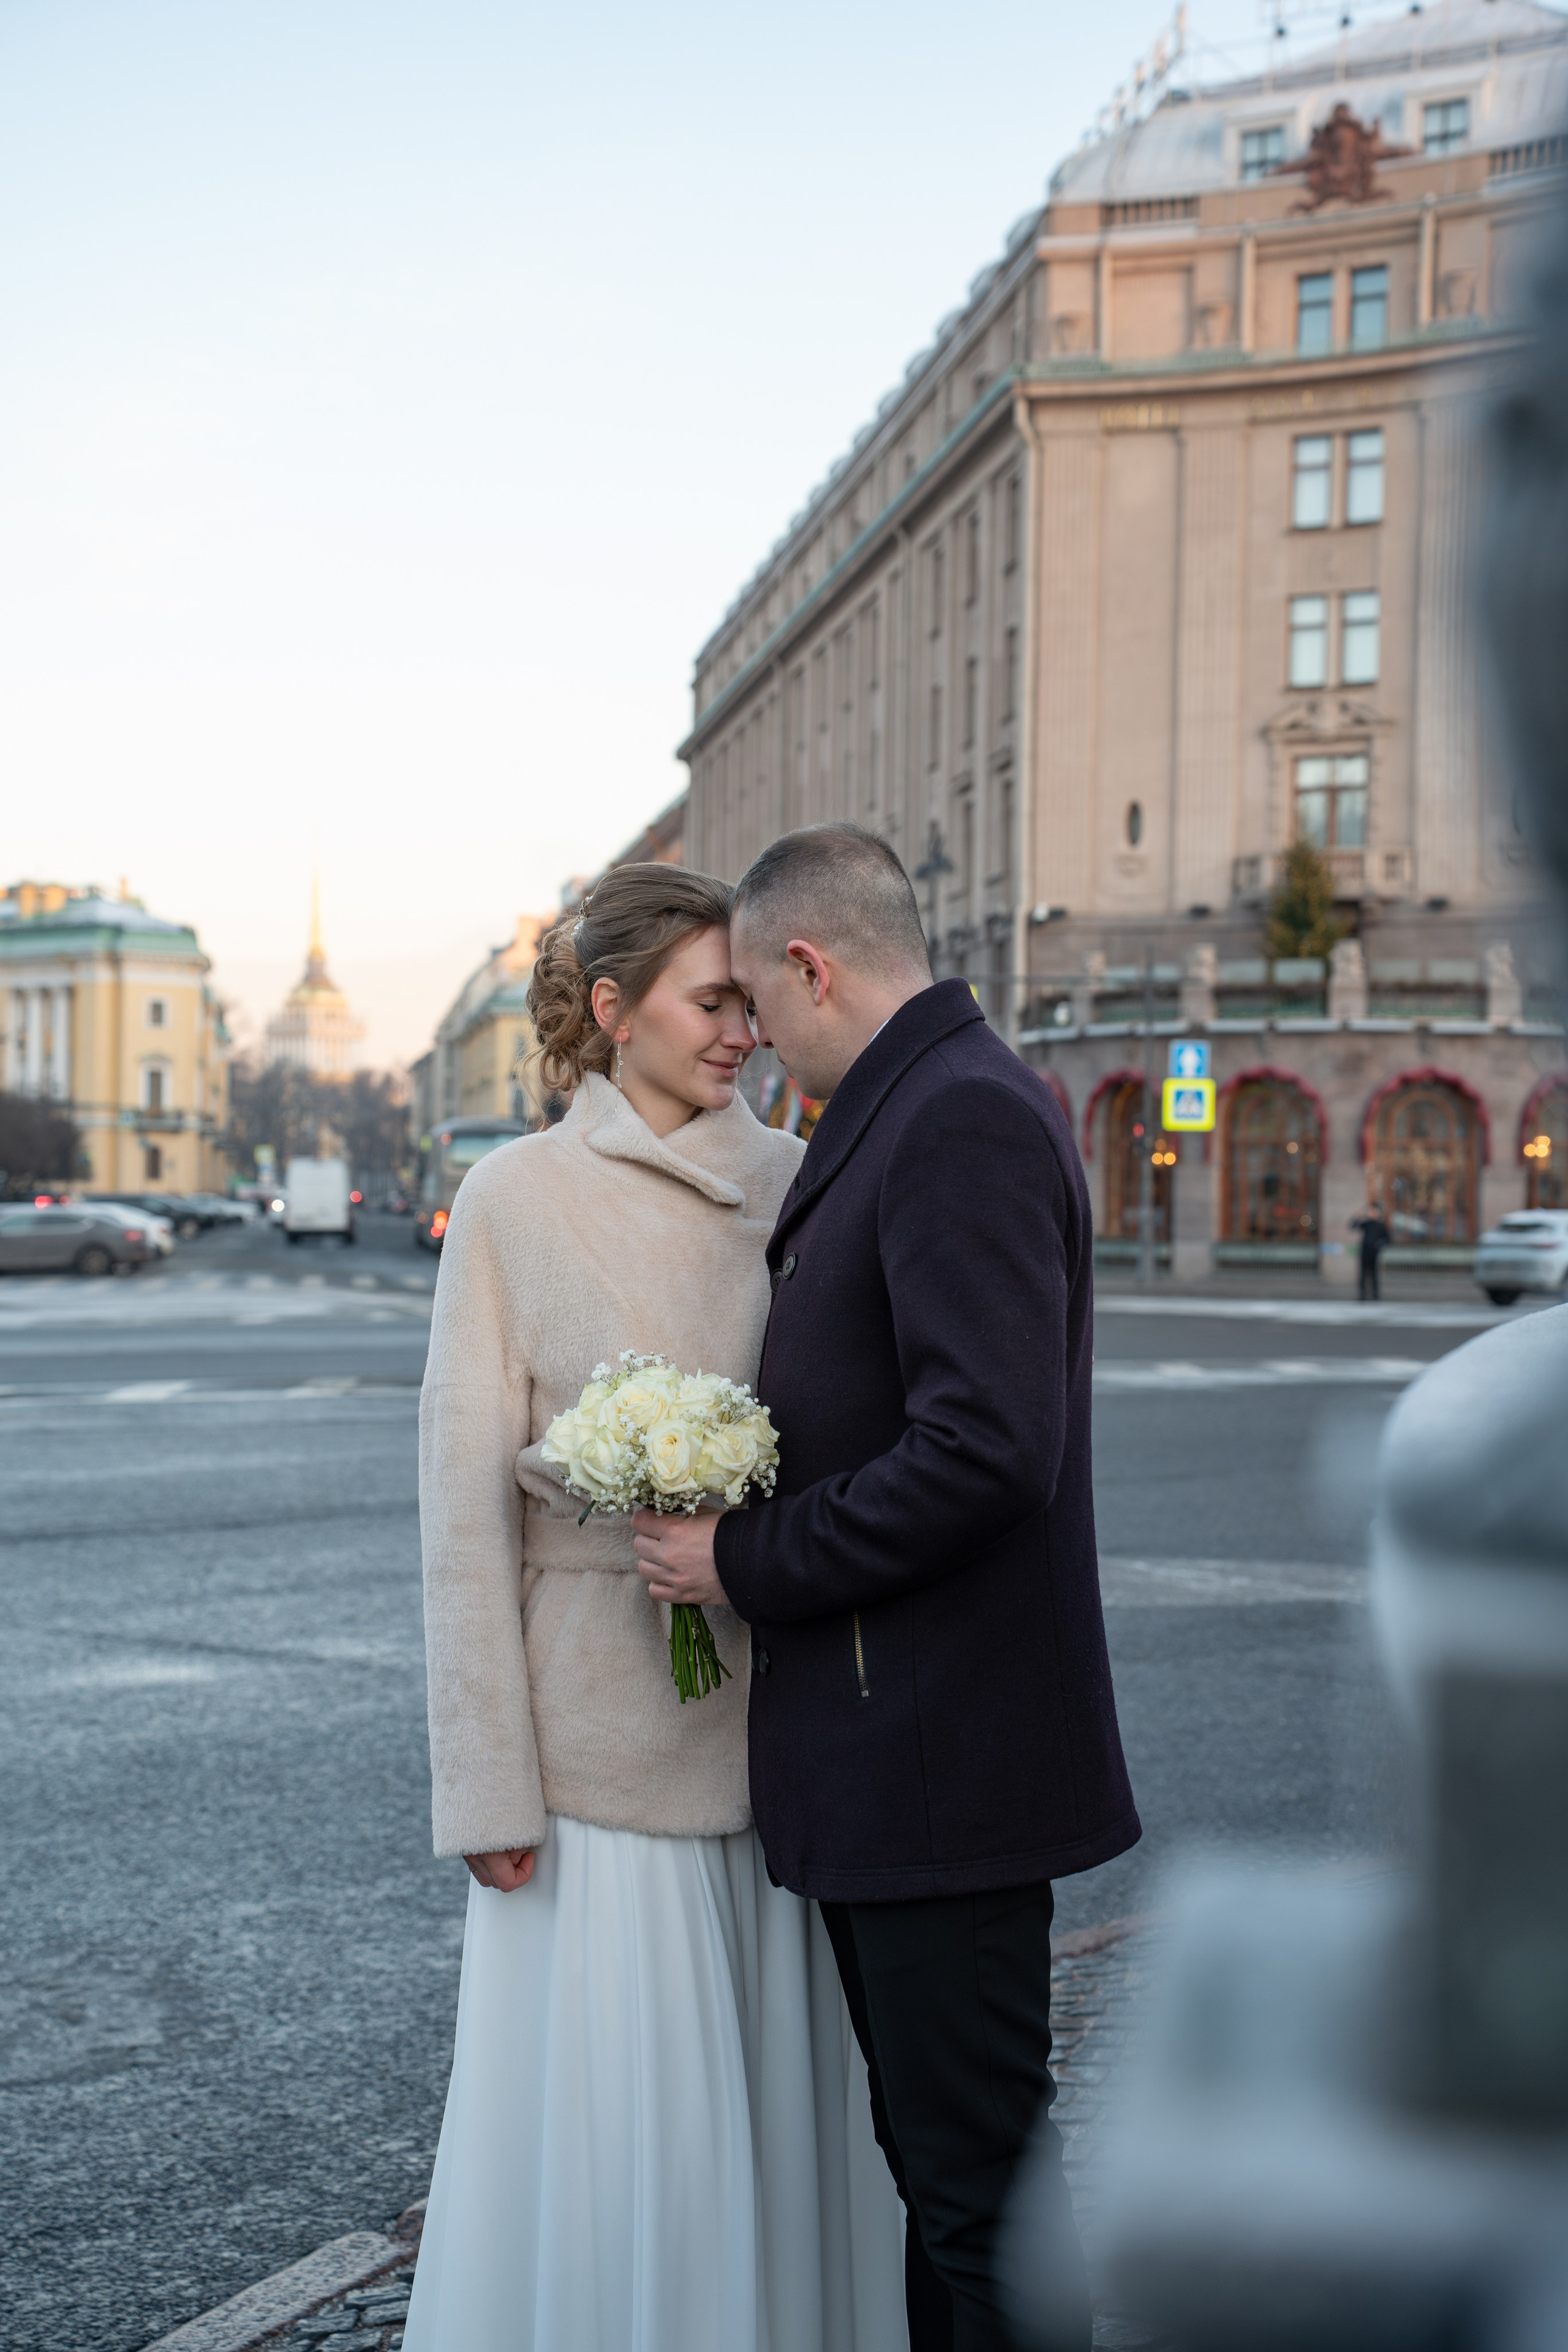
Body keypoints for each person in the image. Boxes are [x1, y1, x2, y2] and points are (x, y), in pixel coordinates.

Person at [633, 824, 1141, 2352]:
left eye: (756, 1005)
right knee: (948, 2186)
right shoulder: (936, 1099)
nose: (750, 1042)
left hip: (945, 1762)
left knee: (980, 2204)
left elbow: (987, 1449)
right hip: (916, 1755)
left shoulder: (954, 1116)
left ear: (810, 965)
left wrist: (741, 1558)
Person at [405, 864, 907, 2352]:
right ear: (611, 1013)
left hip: (789, 1746)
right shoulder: (510, 1198)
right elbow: (457, 1513)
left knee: (776, 2128)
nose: (743, 1031)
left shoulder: (801, 1174)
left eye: (753, 1000)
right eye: (709, 1001)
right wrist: (483, 1779)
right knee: (628, 2150)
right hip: (596, 1766)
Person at [1351, 1203, 1391, 1301]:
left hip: (1374, 1254)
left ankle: (1375, 1295)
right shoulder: (1366, 1224)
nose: (1372, 1213)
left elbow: (1388, 1239)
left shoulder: (1381, 1225)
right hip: (1365, 1253)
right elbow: (1353, 1227)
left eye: (1374, 1211)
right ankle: (1363, 1295)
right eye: (1371, 1211)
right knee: (1363, 1275)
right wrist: (1357, 1216)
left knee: (1374, 1275)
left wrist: (1379, 1245)